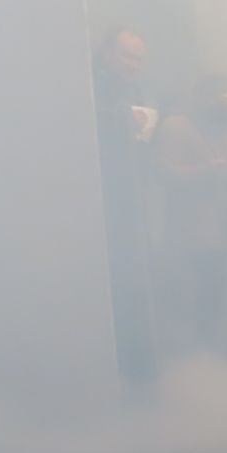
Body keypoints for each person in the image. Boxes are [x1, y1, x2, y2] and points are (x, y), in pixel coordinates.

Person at [153, 74, 227, 351]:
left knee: (221, 291)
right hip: (190, 231)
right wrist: (208, 172)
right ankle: (191, 357)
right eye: (221, 100)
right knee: (190, 296)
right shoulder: (176, 125)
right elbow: (165, 173)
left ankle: (217, 353)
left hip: (226, 225)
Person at [93, 26, 159, 391]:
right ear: (106, 55)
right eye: (127, 56)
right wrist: (121, 119)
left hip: (131, 198)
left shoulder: (130, 88)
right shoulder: (91, 87)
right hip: (103, 203)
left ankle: (139, 373)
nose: (134, 65)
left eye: (139, 58)